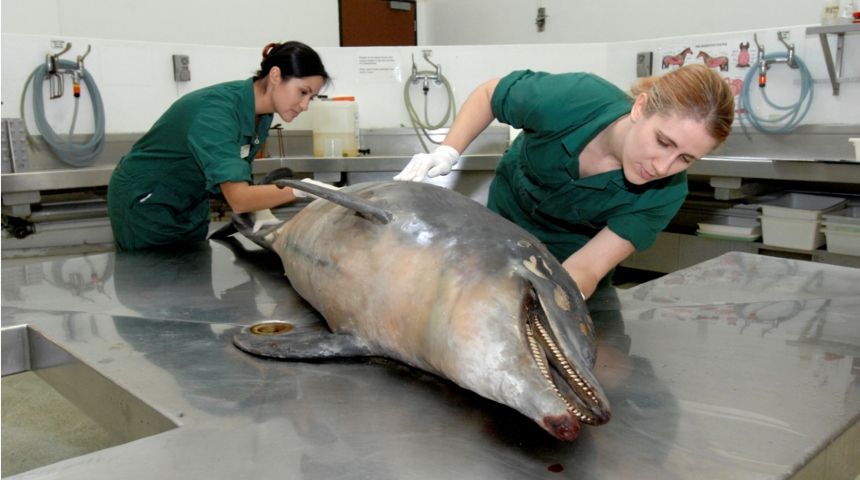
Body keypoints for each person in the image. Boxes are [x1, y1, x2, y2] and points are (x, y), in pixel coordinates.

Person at [394, 64, 734, 299]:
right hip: (503, 224)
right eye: (663, 141)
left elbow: (586, 267)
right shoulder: (575, 98)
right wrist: (448, 151)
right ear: (640, 108)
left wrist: (547, 305)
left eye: (686, 159)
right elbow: (489, 95)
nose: (664, 166)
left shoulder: (665, 193)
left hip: (569, 260)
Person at [108, 41, 329, 251]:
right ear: (275, 75)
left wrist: (261, 210)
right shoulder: (216, 114)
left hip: (190, 201)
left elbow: (233, 170)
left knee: (191, 270)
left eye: (312, 97)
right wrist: (304, 189)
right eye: (303, 91)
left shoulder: (261, 114)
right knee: (153, 277)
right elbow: (239, 198)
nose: (305, 105)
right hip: (147, 200)